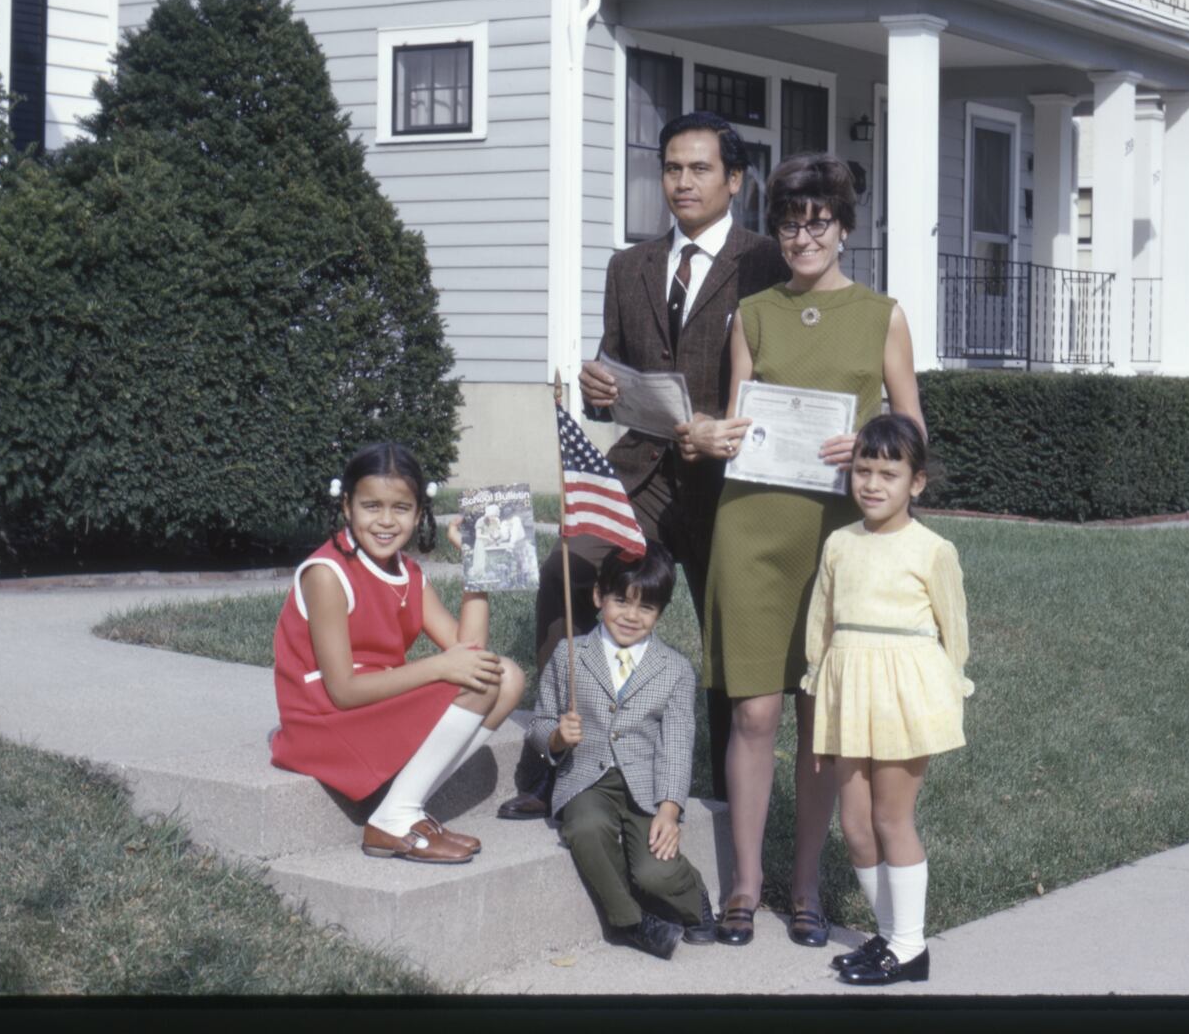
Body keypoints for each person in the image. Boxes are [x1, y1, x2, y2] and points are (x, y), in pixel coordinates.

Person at [497, 111, 790, 819]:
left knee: (730, 623)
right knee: (568, 567)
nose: (682, 182)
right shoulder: (628, 266)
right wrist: (601, 387)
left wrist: (724, 428)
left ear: (736, 180)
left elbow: (784, 384)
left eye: (699, 169)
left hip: (728, 480)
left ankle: (725, 799)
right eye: (671, 168)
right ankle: (556, 759)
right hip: (641, 474)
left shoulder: (768, 264)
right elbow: (616, 376)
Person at [681, 152, 925, 947]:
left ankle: (809, 886)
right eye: (790, 221)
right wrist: (713, 432)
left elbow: (913, 427)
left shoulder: (882, 314)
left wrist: (871, 444)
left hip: (835, 542)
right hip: (751, 529)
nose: (802, 235)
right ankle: (746, 886)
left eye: (818, 220)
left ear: (846, 230)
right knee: (753, 712)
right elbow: (735, 415)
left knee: (821, 721)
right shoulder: (751, 314)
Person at [270, 442, 526, 863]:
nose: (386, 521)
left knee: (507, 675)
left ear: (419, 513)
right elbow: (343, 691)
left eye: (401, 508)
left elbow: (470, 650)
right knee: (479, 676)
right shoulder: (327, 574)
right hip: (323, 721)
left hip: (373, 707)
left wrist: (475, 567)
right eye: (371, 506)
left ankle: (404, 804)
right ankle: (394, 818)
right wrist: (439, 667)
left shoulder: (407, 571)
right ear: (347, 506)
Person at [803, 414, 972, 986]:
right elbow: (821, 630)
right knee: (853, 823)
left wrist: (945, 692)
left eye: (888, 474)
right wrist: (820, 700)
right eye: (862, 472)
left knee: (889, 817)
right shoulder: (839, 544)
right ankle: (891, 936)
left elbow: (955, 633)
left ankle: (909, 947)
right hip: (849, 694)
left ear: (916, 483)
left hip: (903, 697)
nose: (872, 485)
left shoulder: (932, 550)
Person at [527, 543, 717, 958]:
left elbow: (677, 746)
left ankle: (693, 897)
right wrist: (557, 737)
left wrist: (669, 809)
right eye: (620, 602)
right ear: (598, 596)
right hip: (586, 780)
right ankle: (631, 923)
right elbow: (539, 727)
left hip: (645, 786)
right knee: (586, 828)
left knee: (655, 872)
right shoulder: (569, 655)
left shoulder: (675, 669)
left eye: (646, 608)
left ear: (662, 612)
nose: (631, 616)